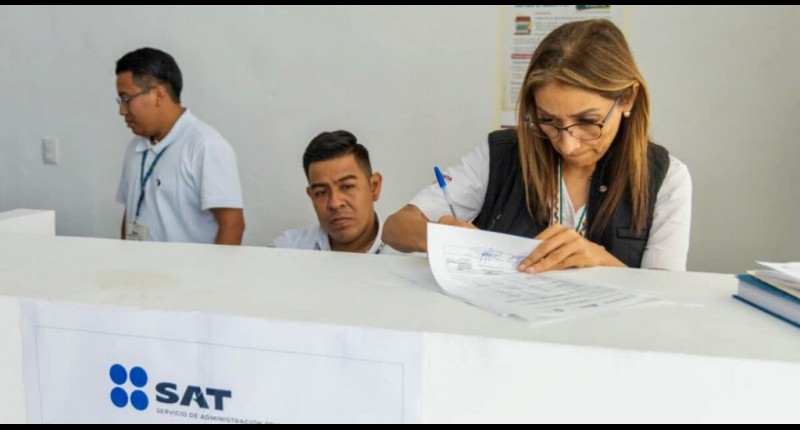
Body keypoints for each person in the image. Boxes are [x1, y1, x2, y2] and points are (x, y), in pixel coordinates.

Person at [383, 19, 691, 272]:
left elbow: (666, 299)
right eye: (548, 120)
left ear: (627, 99)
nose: (567, 145)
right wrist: (441, 236)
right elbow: (395, 227)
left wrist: (601, 260)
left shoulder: (667, 178)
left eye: (588, 121)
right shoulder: (501, 154)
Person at [115, 47, 245, 245]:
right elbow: (131, 213)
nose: (122, 111)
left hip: (188, 266)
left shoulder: (206, 146)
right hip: (138, 264)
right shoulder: (135, 148)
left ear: (158, 94)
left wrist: (210, 268)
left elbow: (233, 226)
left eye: (126, 99)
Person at [272, 130, 390, 254]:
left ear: (374, 187)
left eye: (347, 187)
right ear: (311, 196)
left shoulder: (401, 254)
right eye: (321, 192)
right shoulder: (287, 250)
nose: (335, 203)